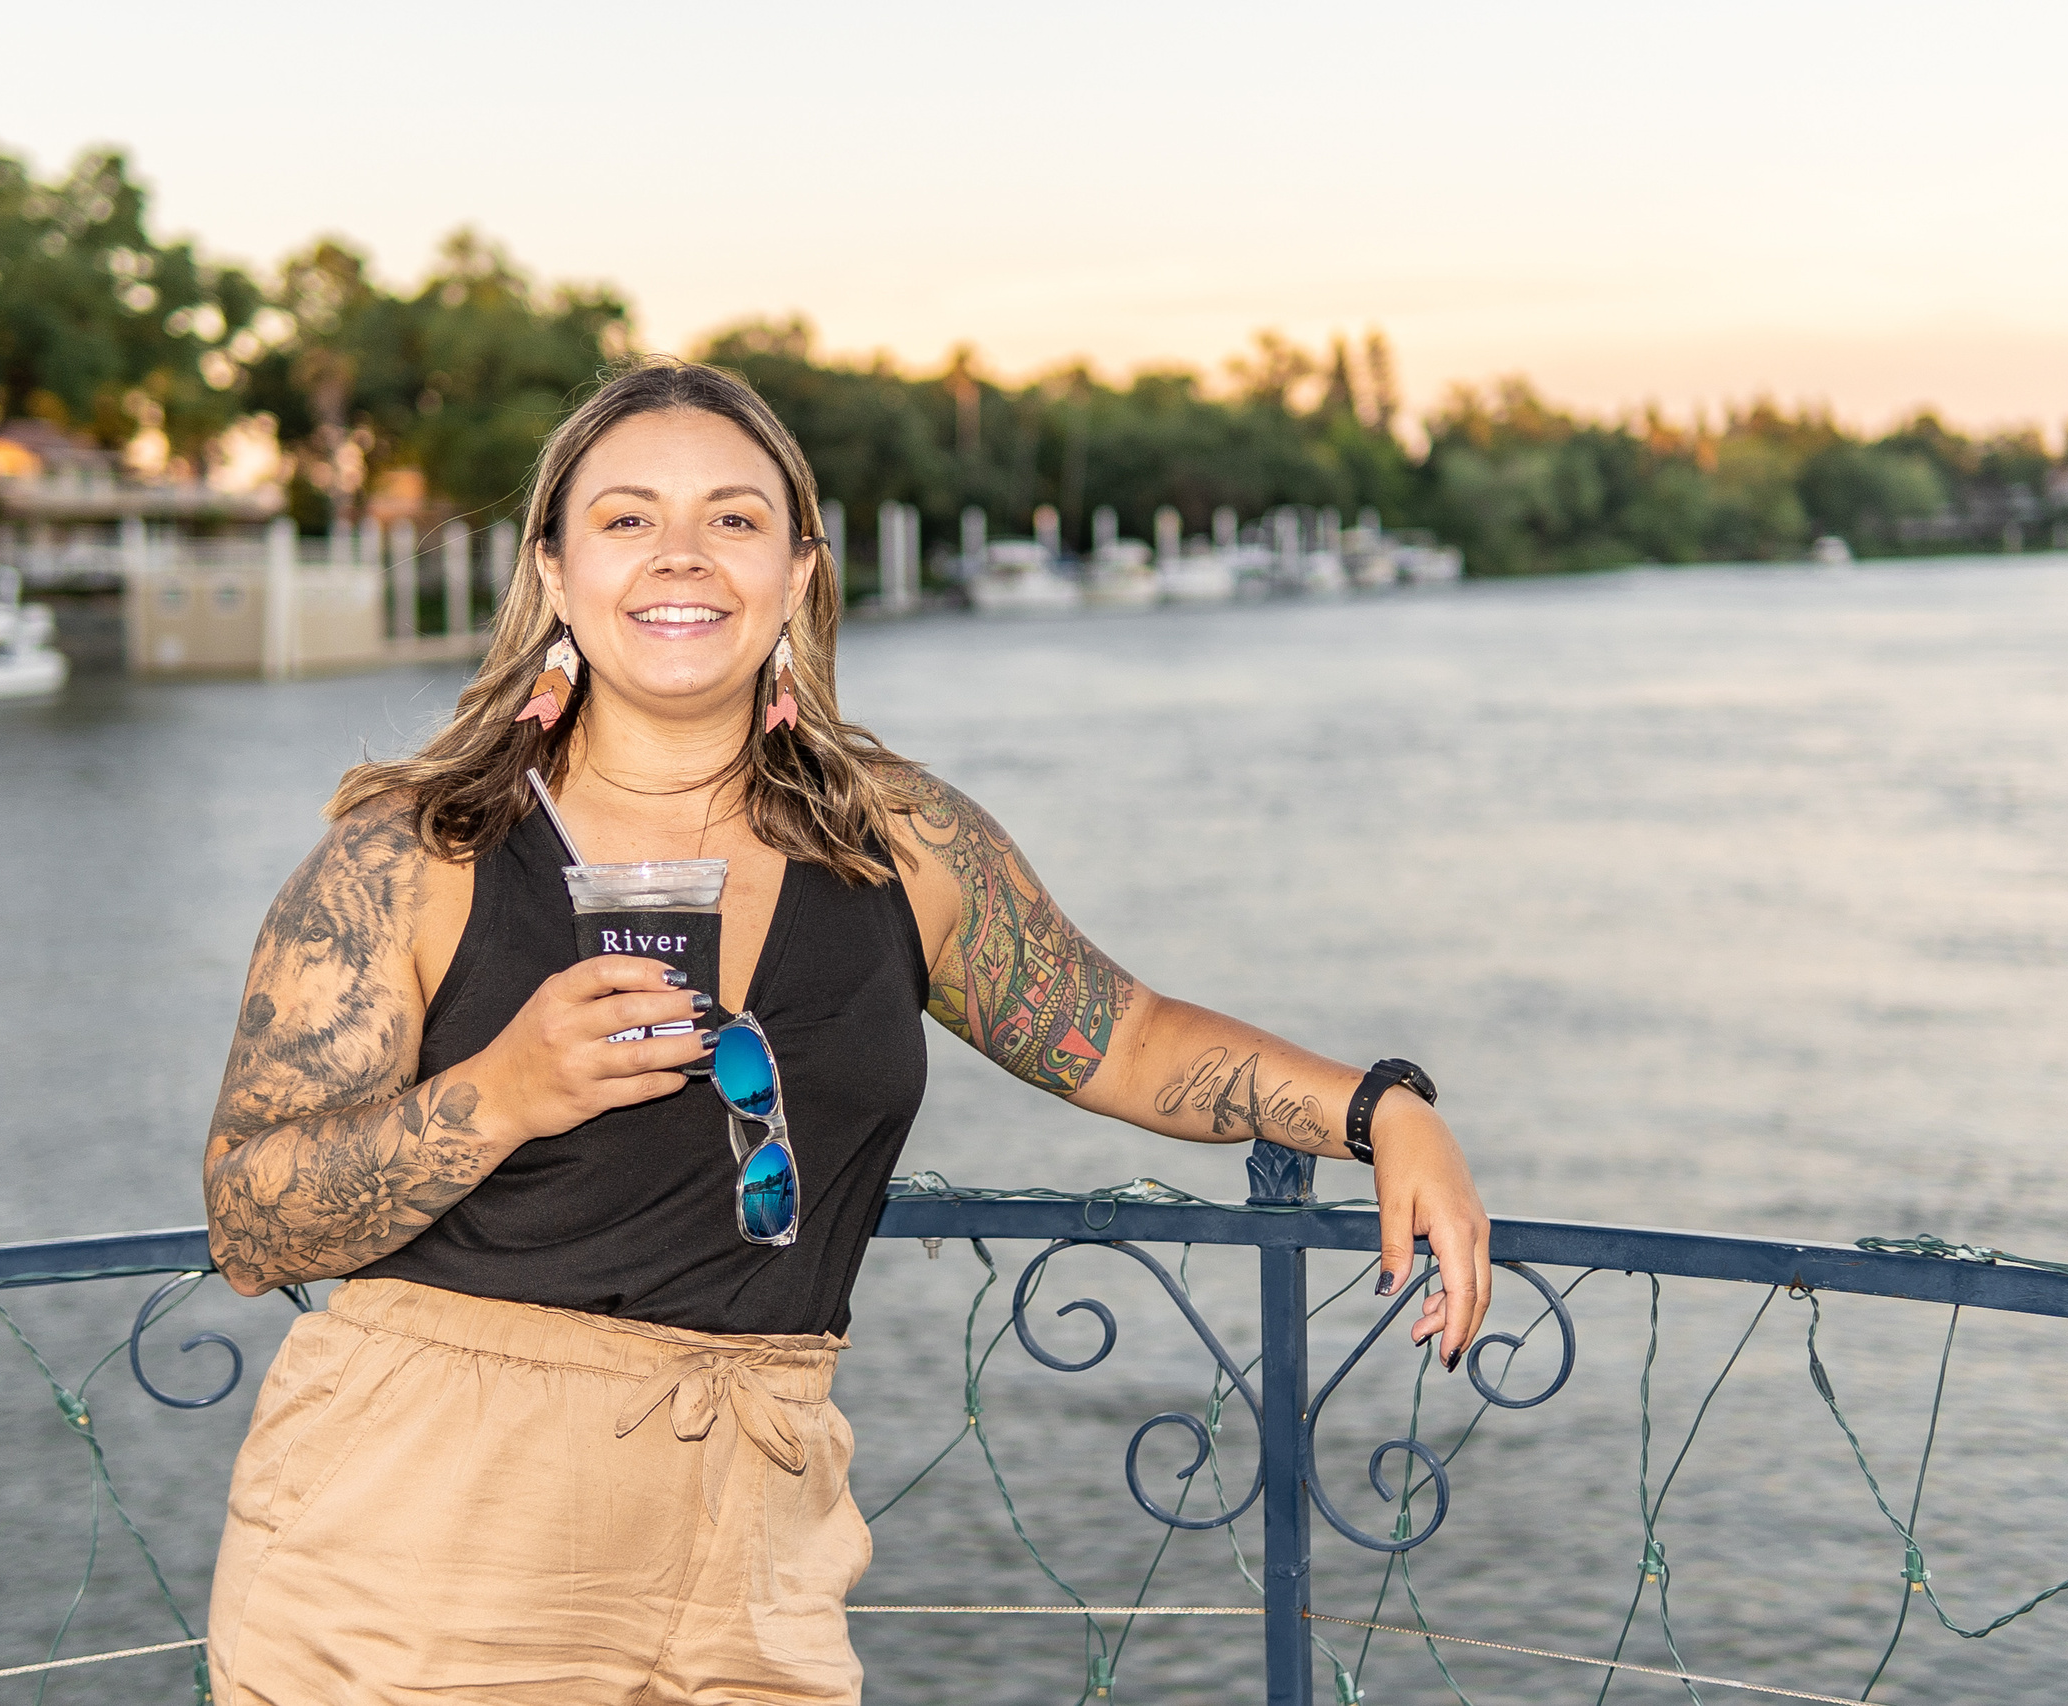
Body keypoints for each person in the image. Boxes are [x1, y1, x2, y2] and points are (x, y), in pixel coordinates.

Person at [198, 357, 1491, 1705]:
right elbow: (250, 1219)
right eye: (628, 517)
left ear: (802, 571)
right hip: (423, 1540)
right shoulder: (416, 855)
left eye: (736, 519)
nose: (681, 556)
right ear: (555, 569)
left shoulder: (897, 840)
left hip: (759, 1525)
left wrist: (1384, 1109)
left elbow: (1121, 1031)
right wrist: (501, 1092)